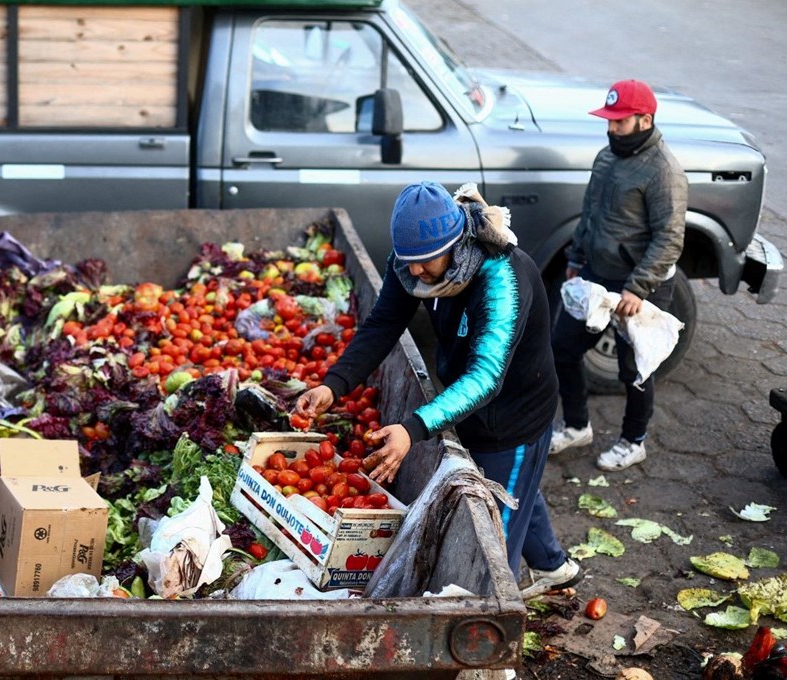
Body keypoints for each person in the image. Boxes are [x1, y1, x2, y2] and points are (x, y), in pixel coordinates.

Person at [293, 181, 581, 598]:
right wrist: (333, 385)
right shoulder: (414, 257)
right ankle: (554, 567)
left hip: (511, 416)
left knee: (490, 543)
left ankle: (491, 632)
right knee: (517, 489)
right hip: (465, 401)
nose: (413, 272)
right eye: (407, 262)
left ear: (455, 243)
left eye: (424, 263)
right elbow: (384, 323)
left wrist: (412, 429)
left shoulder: (502, 280)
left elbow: (485, 378)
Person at [549, 79, 687, 471]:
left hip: (641, 286)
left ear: (644, 120)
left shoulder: (664, 171)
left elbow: (670, 238)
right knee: (563, 348)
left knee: (635, 369)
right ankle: (577, 425)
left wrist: (637, 289)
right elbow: (590, 213)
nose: (611, 128)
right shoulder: (606, 158)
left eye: (620, 122)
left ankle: (633, 440)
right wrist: (575, 257)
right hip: (596, 274)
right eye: (608, 121)